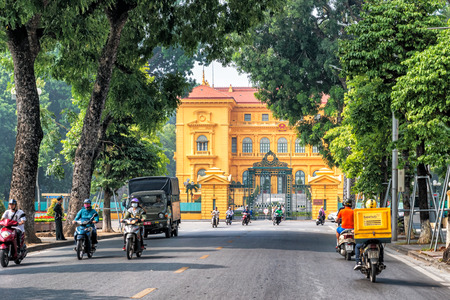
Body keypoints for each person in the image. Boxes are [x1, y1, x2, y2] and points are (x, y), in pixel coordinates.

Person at [354, 199, 384, 270]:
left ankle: (358, 262)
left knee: (357, 247)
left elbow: (359, 225)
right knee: (381, 248)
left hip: (366, 238)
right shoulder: (379, 214)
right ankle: (381, 262)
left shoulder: (362, 213)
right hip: (376, 238)